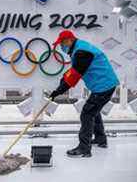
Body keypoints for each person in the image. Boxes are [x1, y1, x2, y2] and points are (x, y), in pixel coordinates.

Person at [49, 30, 119, 158]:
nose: (61, 47)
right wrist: (61, 84)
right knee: (94, 111)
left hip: (103, 86)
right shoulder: (79, 48)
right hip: (105, 84)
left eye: (62, 43)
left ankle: (84, 148)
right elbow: (72, 71)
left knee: (87, 114)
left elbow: (74, 76)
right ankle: (100, 139)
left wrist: (58, 91)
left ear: (70, 40)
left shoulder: (82, 52)